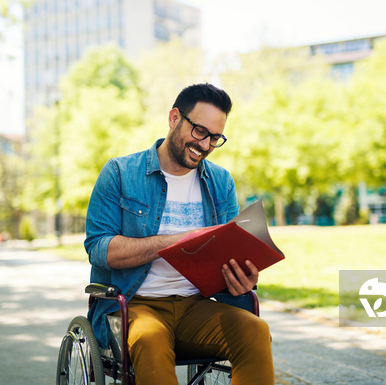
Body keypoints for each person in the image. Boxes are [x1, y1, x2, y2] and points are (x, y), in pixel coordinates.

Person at [85, 83, 274, 384]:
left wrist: (243, 278)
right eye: (199, 131)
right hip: (135, 305)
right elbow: (99, 248)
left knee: (255, 331)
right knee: (150, 337)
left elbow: (229, 253)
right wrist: (175, 242)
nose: (205, 145)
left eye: (215, 138)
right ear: (174, 118)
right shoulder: (119, 173)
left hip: (195, 307)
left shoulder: (220, 182)